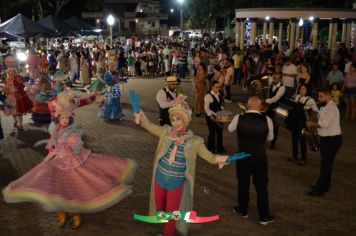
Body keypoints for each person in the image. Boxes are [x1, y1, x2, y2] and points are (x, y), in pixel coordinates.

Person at [2, 92, 136, 229]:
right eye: (62, 118)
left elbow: (75, 145)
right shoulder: (55, 129)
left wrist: (74, 145)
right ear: (58, 118)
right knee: (58, 187)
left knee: (74, 186)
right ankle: (62, 211)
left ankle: (76, 213)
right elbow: (53, 142)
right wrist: (53, 152)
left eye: (67, 118)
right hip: (57, 162)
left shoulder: (74, 132)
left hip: (72, 161)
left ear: (71, 119)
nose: (65, 120)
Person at [132, 96, 228, 236]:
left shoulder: (195, 141)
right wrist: (137, 112)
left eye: (179, 119)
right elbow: (148, 125)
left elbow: (210, 157)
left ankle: (168, 233)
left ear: (185, 120)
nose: (175, 123)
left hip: (176, 183)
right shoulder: (166, 132)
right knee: (160, 207)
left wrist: (220, 159)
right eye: (173, 119)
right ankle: (165, 224)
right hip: (159, 178)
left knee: (172, 213)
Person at [228, 96, 274, 225]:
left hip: (242, 156)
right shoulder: (267, 120)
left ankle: (243, 210)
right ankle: (264, 216)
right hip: (259, 156)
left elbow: (229, 129)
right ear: (260, 106)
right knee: (261, 186)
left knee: (243, 183)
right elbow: (270, 138)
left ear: (248, 105)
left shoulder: (238, 118)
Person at [306, 89, 342, 196]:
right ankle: (322, 185)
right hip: (327, 139)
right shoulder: (325, 107)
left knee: (326, 165)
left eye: (320, 96)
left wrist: (311, 124)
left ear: (328, 96)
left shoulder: (331, 108)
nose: (318, 99)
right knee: (325, 164)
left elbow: (324, 123)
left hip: (332, 140)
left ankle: (320, 189)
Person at [290, 84, 319, 165]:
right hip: (295, 122)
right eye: (300, 89)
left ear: (307, 90)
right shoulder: (297, 97)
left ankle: (303, 158)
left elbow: (317, 111)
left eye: (303, 89)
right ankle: (294, 155)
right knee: (294, 140)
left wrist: (313, 121)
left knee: (302, 141)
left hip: (303, 123)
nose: (301, 90)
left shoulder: (310, 100)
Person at [3, 55, 33, 131]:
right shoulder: (7, 78)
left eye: (12, 71)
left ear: (15, 71)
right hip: (10, 97)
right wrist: (5, 91)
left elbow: (25, 83)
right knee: (12, 111)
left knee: (19, 111)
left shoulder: (18, 77)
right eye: (9, 72)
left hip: (18, 97)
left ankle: (20, 124)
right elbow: (6, 87)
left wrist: (30, 87)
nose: (10, 73)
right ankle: (15, 121)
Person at [265, 72, 286, 149]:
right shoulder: (271, 85)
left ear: (280, 79)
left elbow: (275, 99)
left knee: (275, 126)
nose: (274, 80)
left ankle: (273, 143)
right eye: (274, 78)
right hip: (270, 108)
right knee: (267, 124)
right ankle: (266, 139)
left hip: (279, 109)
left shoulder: (282, 88)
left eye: (277, 79)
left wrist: (266, 100)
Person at [204, 81, 225, 153]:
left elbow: (220, 104)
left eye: (219, 87)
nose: (218, 89)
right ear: (212, 87)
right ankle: (211, 148)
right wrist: (212, 115)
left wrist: (222, 109)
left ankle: (220, 148)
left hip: (220, 116)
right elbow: (206, 108)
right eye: (216, 87)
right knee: (212, 132)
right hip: (211, 117)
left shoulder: (218, 94)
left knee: (220, 132)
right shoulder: (208, 96)